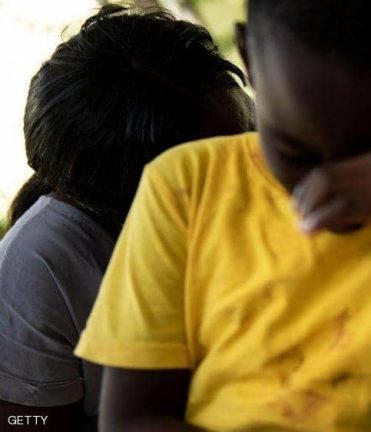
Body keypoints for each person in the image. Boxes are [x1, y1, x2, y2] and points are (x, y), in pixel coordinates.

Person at [74, 1, 371, 431]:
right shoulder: (185, 187)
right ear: (249, 58)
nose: (334, 186)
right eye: (297, 152)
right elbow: (132, 418)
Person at [0, 5, 255, 430]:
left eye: (254, 132)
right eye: (222, 166)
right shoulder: (42, 266)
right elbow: (29, 423)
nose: (260, 165)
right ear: (146, 199)